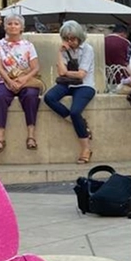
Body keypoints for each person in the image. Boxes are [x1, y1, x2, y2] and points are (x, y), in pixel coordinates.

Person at [45, 20, 98, 165]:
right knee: (49, 97)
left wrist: (66, 72)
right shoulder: (64, 49)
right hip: (67, 84)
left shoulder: (87, 49)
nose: (70, 42)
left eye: (73, 38)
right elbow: (60, 71)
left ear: (79, 37)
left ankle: (86, 149)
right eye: (66, 39)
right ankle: (79, 122)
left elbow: (81, 74)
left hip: (84, 86)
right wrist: (60, 52)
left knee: (76, 112)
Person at [0, 12, 40, 152]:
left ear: (21, 28)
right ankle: (0, 138)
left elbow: (35, 67)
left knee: (31, 96)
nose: (13, 26)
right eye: (10, 24)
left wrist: (24, 79)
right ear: (5, 27)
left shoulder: (28, 45)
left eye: (16, 24)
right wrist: (9, 81)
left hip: (25, 79)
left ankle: (31, 135)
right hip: (6, 79)